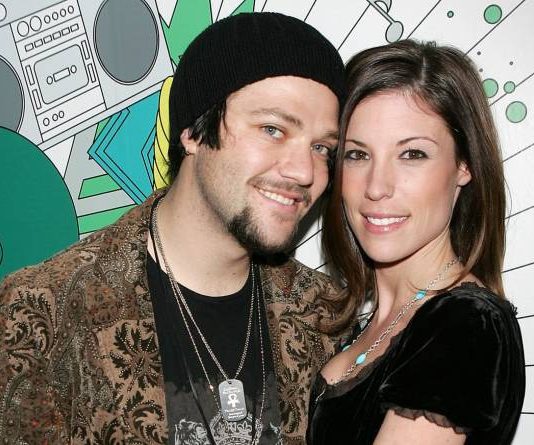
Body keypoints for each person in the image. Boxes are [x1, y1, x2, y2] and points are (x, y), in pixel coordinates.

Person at [0, 13, 347, 444]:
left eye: (322, 148)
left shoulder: (326, 315)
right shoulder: (41, 314)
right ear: (194, 133)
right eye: (273, 129)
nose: (305, 171)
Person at [307, 40, 525, 445]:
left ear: (464, 164)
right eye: (357, 155)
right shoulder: (374, 324)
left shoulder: (466, 324)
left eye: (412, 154)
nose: (377, 187)